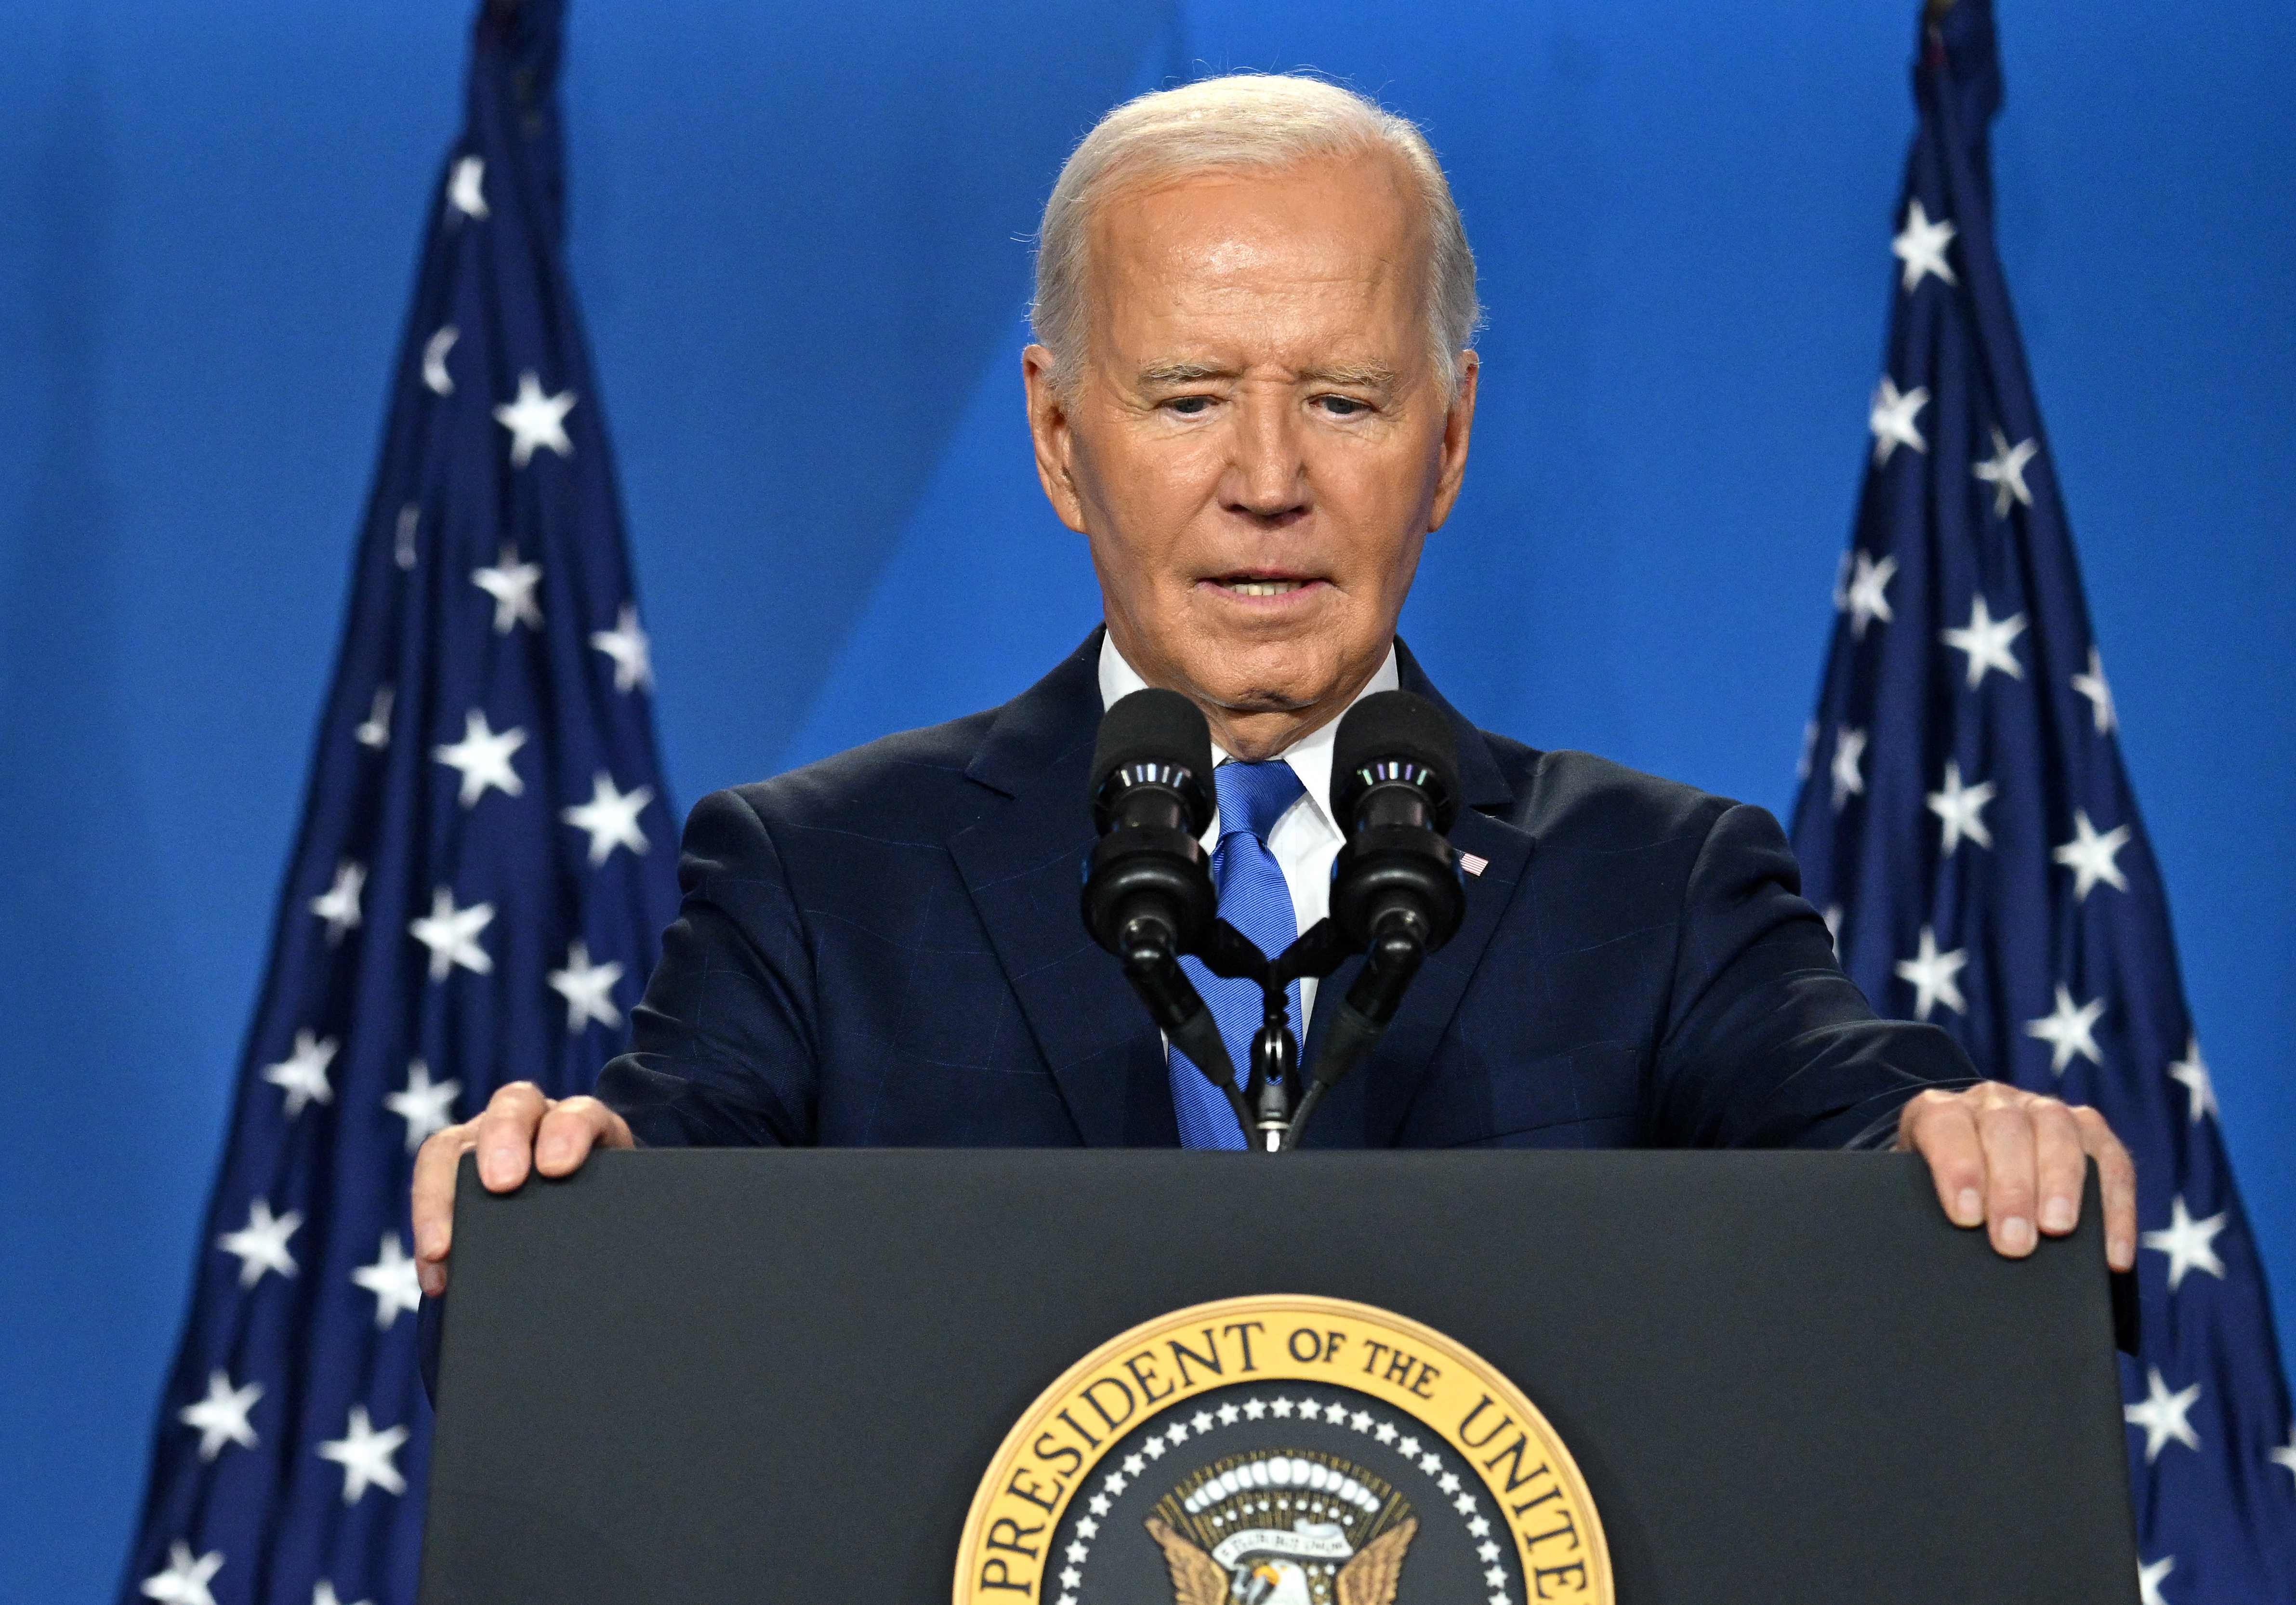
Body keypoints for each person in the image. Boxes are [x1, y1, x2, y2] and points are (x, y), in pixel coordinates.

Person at [413, 74, 2136, 1303]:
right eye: (1183, 398)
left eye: (1345, 397)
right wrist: (570, 1194)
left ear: (1449, 437)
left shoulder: (1658, 887)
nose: (1266, 480)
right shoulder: (822, 877)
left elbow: (1848, 1120)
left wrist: (1952, 1132)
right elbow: (656, 1209)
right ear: (1058, 434)